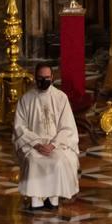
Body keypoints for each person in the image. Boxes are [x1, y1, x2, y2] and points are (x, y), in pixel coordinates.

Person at [13, 63, 79, 211]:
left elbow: (68, 127)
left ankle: (53, 199)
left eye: (47, 78)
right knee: (34, 161)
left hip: (56, 144)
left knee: (59, 160)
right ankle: (36, 201)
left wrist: (53, 145)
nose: (44, 80)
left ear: (52, 77)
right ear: (35, 78)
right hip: (33, 144)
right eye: (40, 78)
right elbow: (20, 127)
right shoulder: (26, 99)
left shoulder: (61, 98)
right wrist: (36, 143)